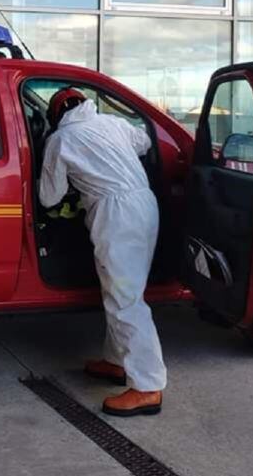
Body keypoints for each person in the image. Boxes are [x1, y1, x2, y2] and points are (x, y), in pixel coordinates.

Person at [38, 87, 167, 417]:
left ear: (56, 117)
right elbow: (145, 142)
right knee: (120, 290)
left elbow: (49, 198)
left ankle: (148, 386)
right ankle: (116, 362)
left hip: (115, 215)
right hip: (144, 203)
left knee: (126, 298)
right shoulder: (112, 123)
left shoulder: (61, 140)